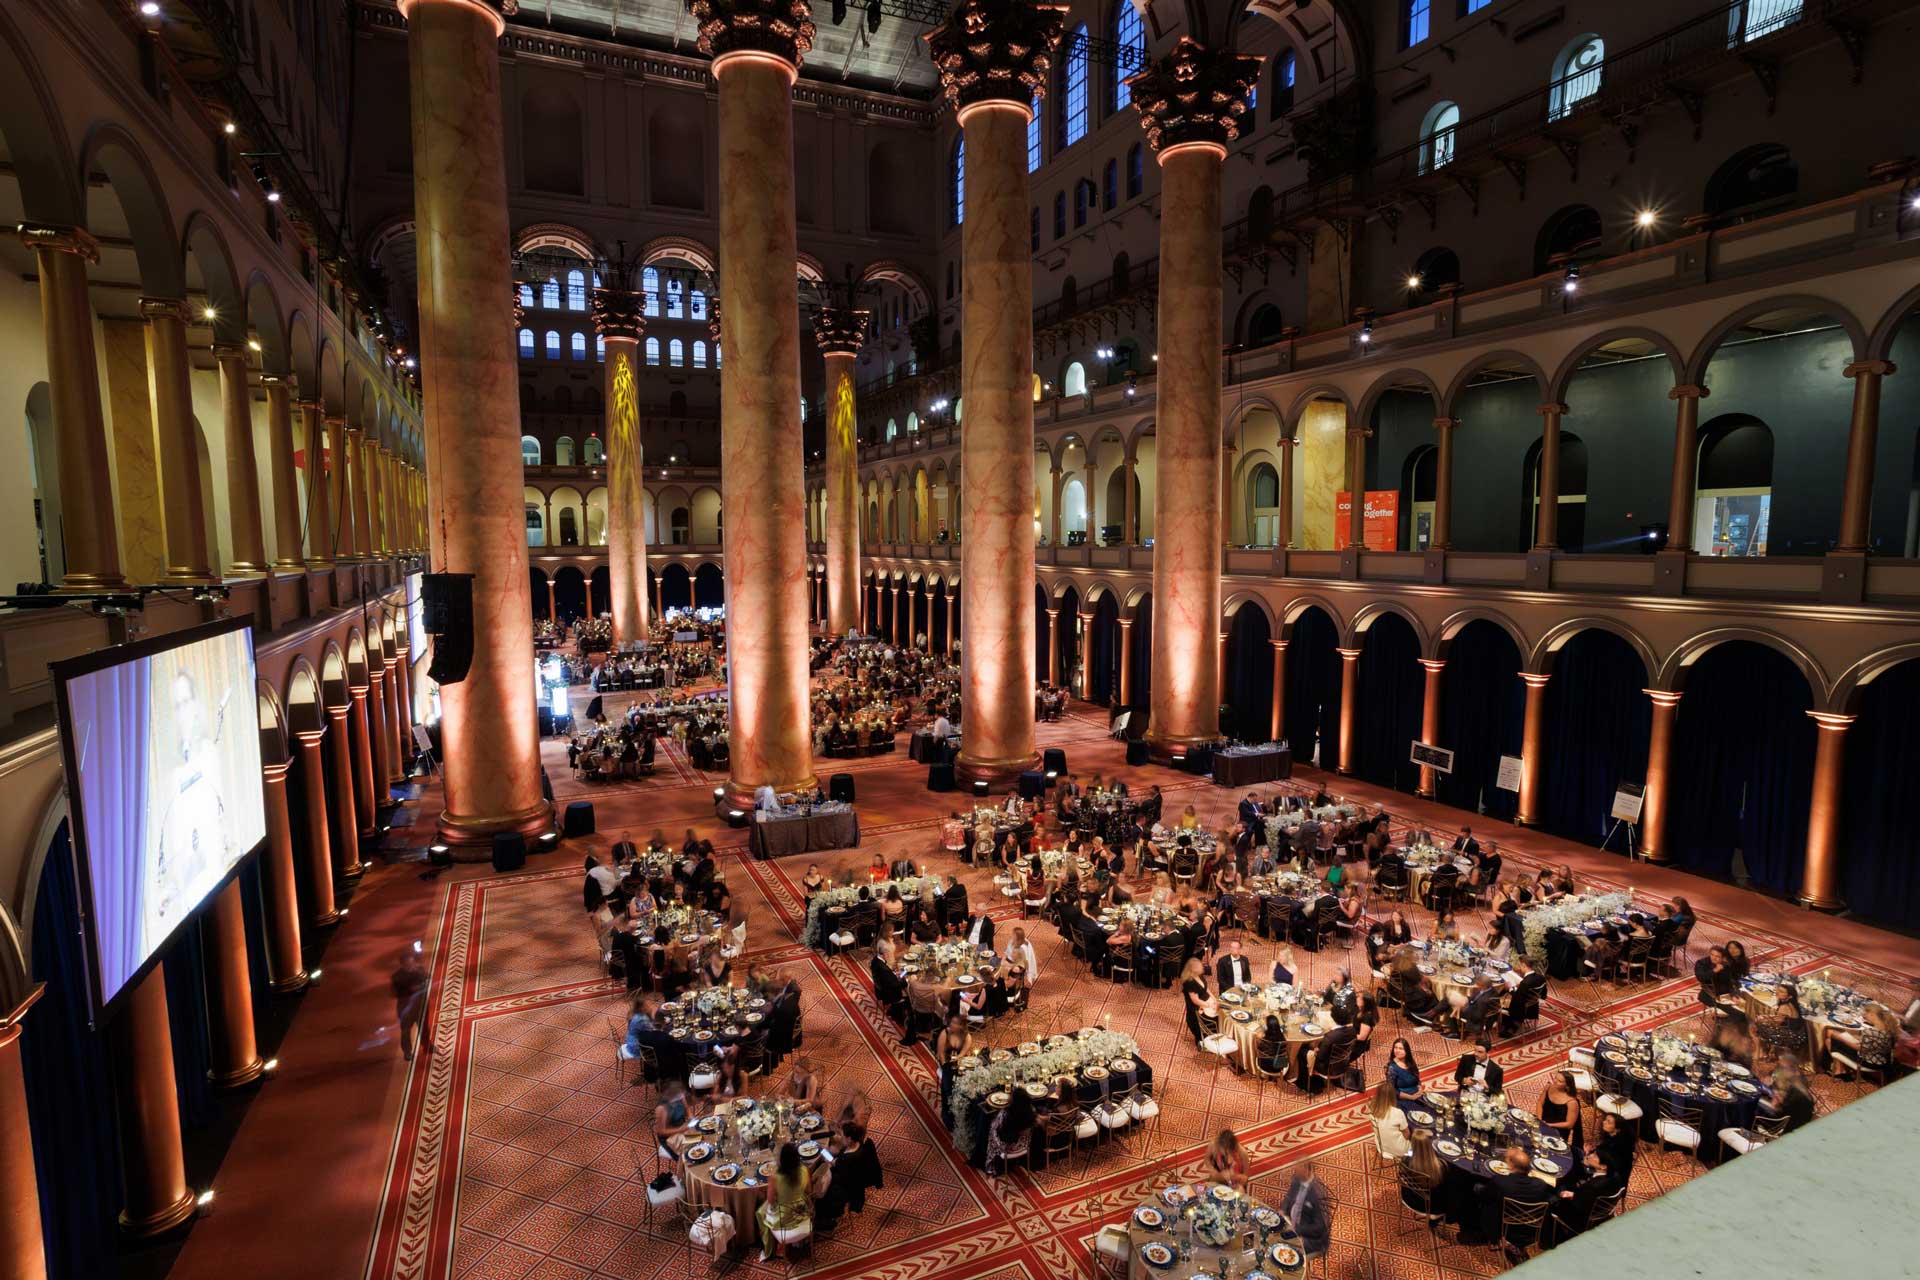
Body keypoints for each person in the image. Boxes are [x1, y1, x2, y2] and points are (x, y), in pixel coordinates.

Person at [756, 1141, 811, 1261]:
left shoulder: (775, 1178)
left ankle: (768, 1249)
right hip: (802, 1212)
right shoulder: (804, 1170)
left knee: (760, 1212)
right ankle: (796, 1243)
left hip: (784, 1219)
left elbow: (771, 1200)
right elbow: (808, 1191)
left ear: (781, 1160)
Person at [1281, 1160, 1330, 1259]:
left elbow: (1320, 1226)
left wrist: (1297, 1231)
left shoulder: (1319, 1194)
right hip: (1291, 1223)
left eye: (1298, 1170)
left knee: (1285, 1253)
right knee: (1272, 1235)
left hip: (1311, 1239)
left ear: (1307, 1170)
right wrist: (1283, 1210)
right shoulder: (1297, 1178)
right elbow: (1289, 1196)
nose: (1295, 1172)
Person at [392, 946, 433, 1061]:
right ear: (402, 965)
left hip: (421, 1005)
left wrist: (424, 980)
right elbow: (396, 994)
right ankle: (407, 1052)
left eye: (412, 963)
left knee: (424, 1027)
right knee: (406, 1031)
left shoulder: (419, 969)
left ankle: (427, 1046)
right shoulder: (397, 977)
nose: (411, 966)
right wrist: (412, 990)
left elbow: (428, 977)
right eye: (408, 965)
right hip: (406, 1009)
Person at [986, 1087, 1035, 1171]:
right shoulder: (1031, 1111)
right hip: (1024, 1145)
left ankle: (991, 1164)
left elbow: (998, 1130)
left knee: (992, 1129)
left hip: (1008, 1148)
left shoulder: (1005, 1114)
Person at [654, 1079, 696, 1169]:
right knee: (689, 1153)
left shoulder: (680, 1096)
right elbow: (661, 1131)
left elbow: (687, 1109)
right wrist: (680, 1130)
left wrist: (691, 1117)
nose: (681, 1096)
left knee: (701, 1137)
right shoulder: (662, 1108)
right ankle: (686, 1170)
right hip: (669, 1138)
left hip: (683, 1128)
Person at [1538, 1069, 1583, 1151]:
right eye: (1555, 1078)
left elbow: (1569, 1124)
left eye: (1559, 1081)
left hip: (1558, 1130)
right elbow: (1540, 1103)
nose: (1555, 1081)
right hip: (1543, 1122)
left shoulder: (1572, 1102)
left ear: (1567, 1086)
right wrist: (1539, 1119)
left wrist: (1549, 1125)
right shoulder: (1549, 1087)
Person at [1180, 956, 1215, 1045]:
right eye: (1199, 966)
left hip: (1205, 1001)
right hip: (1195, 1007)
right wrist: (1208, 1005)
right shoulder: (1189, 982)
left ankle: (1214, 1035)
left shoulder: (1199, 975)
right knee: (1213, 1016)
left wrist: (1214, 998)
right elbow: (1195, 1000)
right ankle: (1204, 1039)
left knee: (1219, 1011)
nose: (1202, 967)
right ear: (1193, 969)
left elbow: (1206, 989)